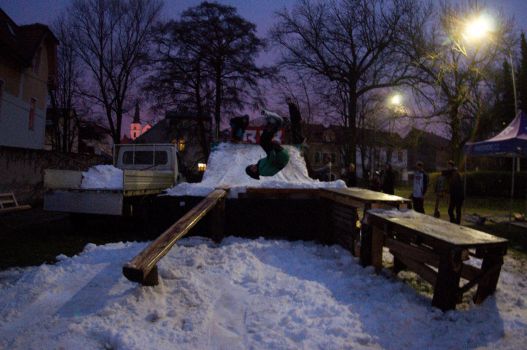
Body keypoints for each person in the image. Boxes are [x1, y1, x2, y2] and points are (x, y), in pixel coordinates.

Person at [245, 111, 290, 180]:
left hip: (278, 154)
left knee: (263, 141)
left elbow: (268, 157)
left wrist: (271, 148)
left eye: (251, 166)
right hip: (281, 158)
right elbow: (272, 162)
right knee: (264, 142)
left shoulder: (259, 163)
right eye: (252, 169)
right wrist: (271, 151)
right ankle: (276, 124)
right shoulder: (264, 172)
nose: (253, 167)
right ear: (255, 173)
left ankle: (272, 123)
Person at [447, 160, 464, 224]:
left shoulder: (455, 173)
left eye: (449, 166)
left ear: (452, 166)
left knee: (457, 210)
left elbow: (455, 183)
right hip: (453, 195)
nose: (448, 167)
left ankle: (457, 223)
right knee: (450, 210)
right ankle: (453, 222)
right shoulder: (451, 173)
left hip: (458, 195)